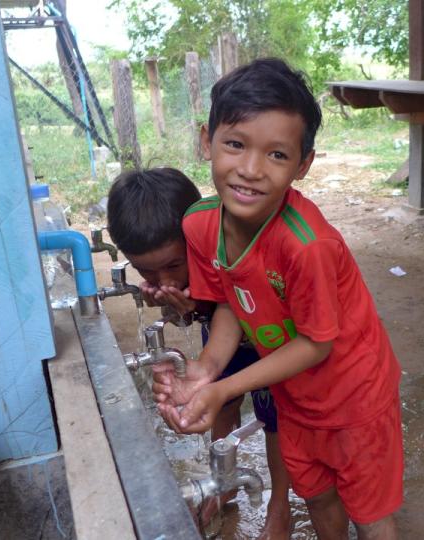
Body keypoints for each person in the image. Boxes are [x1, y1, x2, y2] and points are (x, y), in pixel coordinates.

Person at [153, 58, 403, 540]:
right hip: (296, 399)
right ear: (207, 141)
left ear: (303, 165)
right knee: (317, 496)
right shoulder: (200, 225)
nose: (250, 170)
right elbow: (230, 300)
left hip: (355, 398)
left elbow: (316, 345)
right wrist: (206, 368)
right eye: (235, 144)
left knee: (370, 515)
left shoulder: (306, 246)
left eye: (276, 155)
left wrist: (223, 389)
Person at [105, 168, 292, 539]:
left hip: (270, 340)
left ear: (194, 238)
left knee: (277, 420)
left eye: (174, 265)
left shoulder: (226, 248)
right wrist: (177, 307)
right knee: (220, 405)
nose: (165, 279)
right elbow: (192, 317)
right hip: (225, 343)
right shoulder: (166, 276)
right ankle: (224, 481)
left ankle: (280, 505)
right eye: (147, 271)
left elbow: (234, 302)